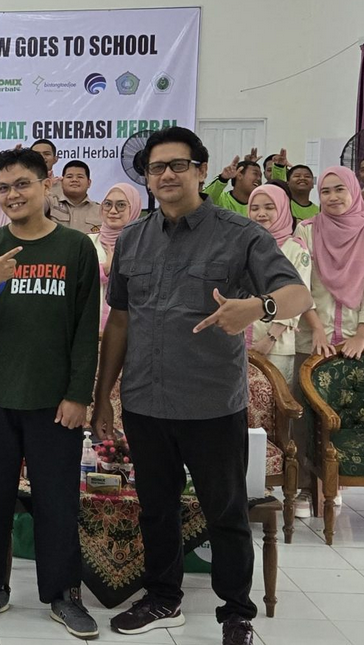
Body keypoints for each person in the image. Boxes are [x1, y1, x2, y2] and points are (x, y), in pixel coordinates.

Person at [93, 127, 311, 645]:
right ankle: (163, 597)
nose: (166, 174)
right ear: (146, 177)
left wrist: (258, 308)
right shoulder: (132, 239)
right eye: (155, 167)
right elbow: (119, 321)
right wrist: (103, 395)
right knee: (156, 509)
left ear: (199, 171)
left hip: (212, 404)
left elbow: (297, 295)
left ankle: (237, 612)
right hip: (145, 401)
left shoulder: (241, 235)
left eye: (177, 165)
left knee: (226, 514)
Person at [0, 148, 100, 639]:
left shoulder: (76, 248)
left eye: (22, 185)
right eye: (3, 186)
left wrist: (80, 394)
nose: (12, 194)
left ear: (46, 185)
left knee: (58, 501)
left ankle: (63, 593)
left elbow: (84, 330)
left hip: (53, 400)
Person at [294, 166, 364, 520]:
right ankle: (307, 487)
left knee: (351, 417)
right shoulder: (307, 229)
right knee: (305, 416)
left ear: (354, 191)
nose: (333, 197)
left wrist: (362, 333)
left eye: (340, 190)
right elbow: (298, 281)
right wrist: (316, 327)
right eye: (326, 191)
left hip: (358, 340)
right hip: (311, 338)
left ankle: (339, 484)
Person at [245, 184, 311, 385]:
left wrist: (270, 338)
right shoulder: (244, 244)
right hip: (240, 339)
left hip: (277, 344)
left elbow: (299, 297)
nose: (261, 214)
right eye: (254, 208)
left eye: (269, 207)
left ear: (282, 209)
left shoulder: (295, 249)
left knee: (278, 406)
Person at [92, 183, 142, 330]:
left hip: (129, 330)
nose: (113, 211)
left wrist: (116, 271)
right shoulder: (87, 242)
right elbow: (73, 278)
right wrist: (103, 270)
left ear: (133, 208)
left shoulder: (141, 246)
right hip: (90, 328)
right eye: (108, 204)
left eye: (121, 205)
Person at [48, 160, 102, 234]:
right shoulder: (50, 204)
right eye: (69, 176)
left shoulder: (100, 211)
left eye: (80, 177)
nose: (74, 180)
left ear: (89, 183)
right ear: (62, 181)